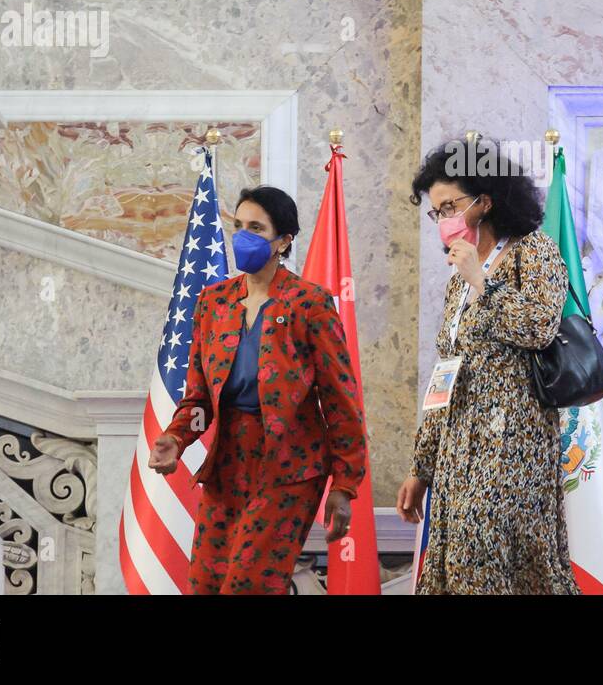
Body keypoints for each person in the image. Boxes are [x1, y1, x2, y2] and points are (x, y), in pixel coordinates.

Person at [149, 185, 367, 594]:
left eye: (256, 228)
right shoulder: (214, 302)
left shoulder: (310, 303)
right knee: (206, 584)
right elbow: (198, 396)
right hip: (228, 462)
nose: (243, 237)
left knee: (247, 587)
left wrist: (345, 484)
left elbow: (341, 399)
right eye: (239, 226)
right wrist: (176, 438)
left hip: (289, 467)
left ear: (283, 241)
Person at [398, 137, 580, 594]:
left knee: (500, 568)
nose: (442, 219)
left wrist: (484, 284)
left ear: (485, 201)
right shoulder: (456, 279)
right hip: (459, 448)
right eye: (435, 211)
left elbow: (539, 326)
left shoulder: (532, 251)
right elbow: (446, 375)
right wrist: (421, 468)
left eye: (449, 206)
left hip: (513, 445)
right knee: (457, 569)